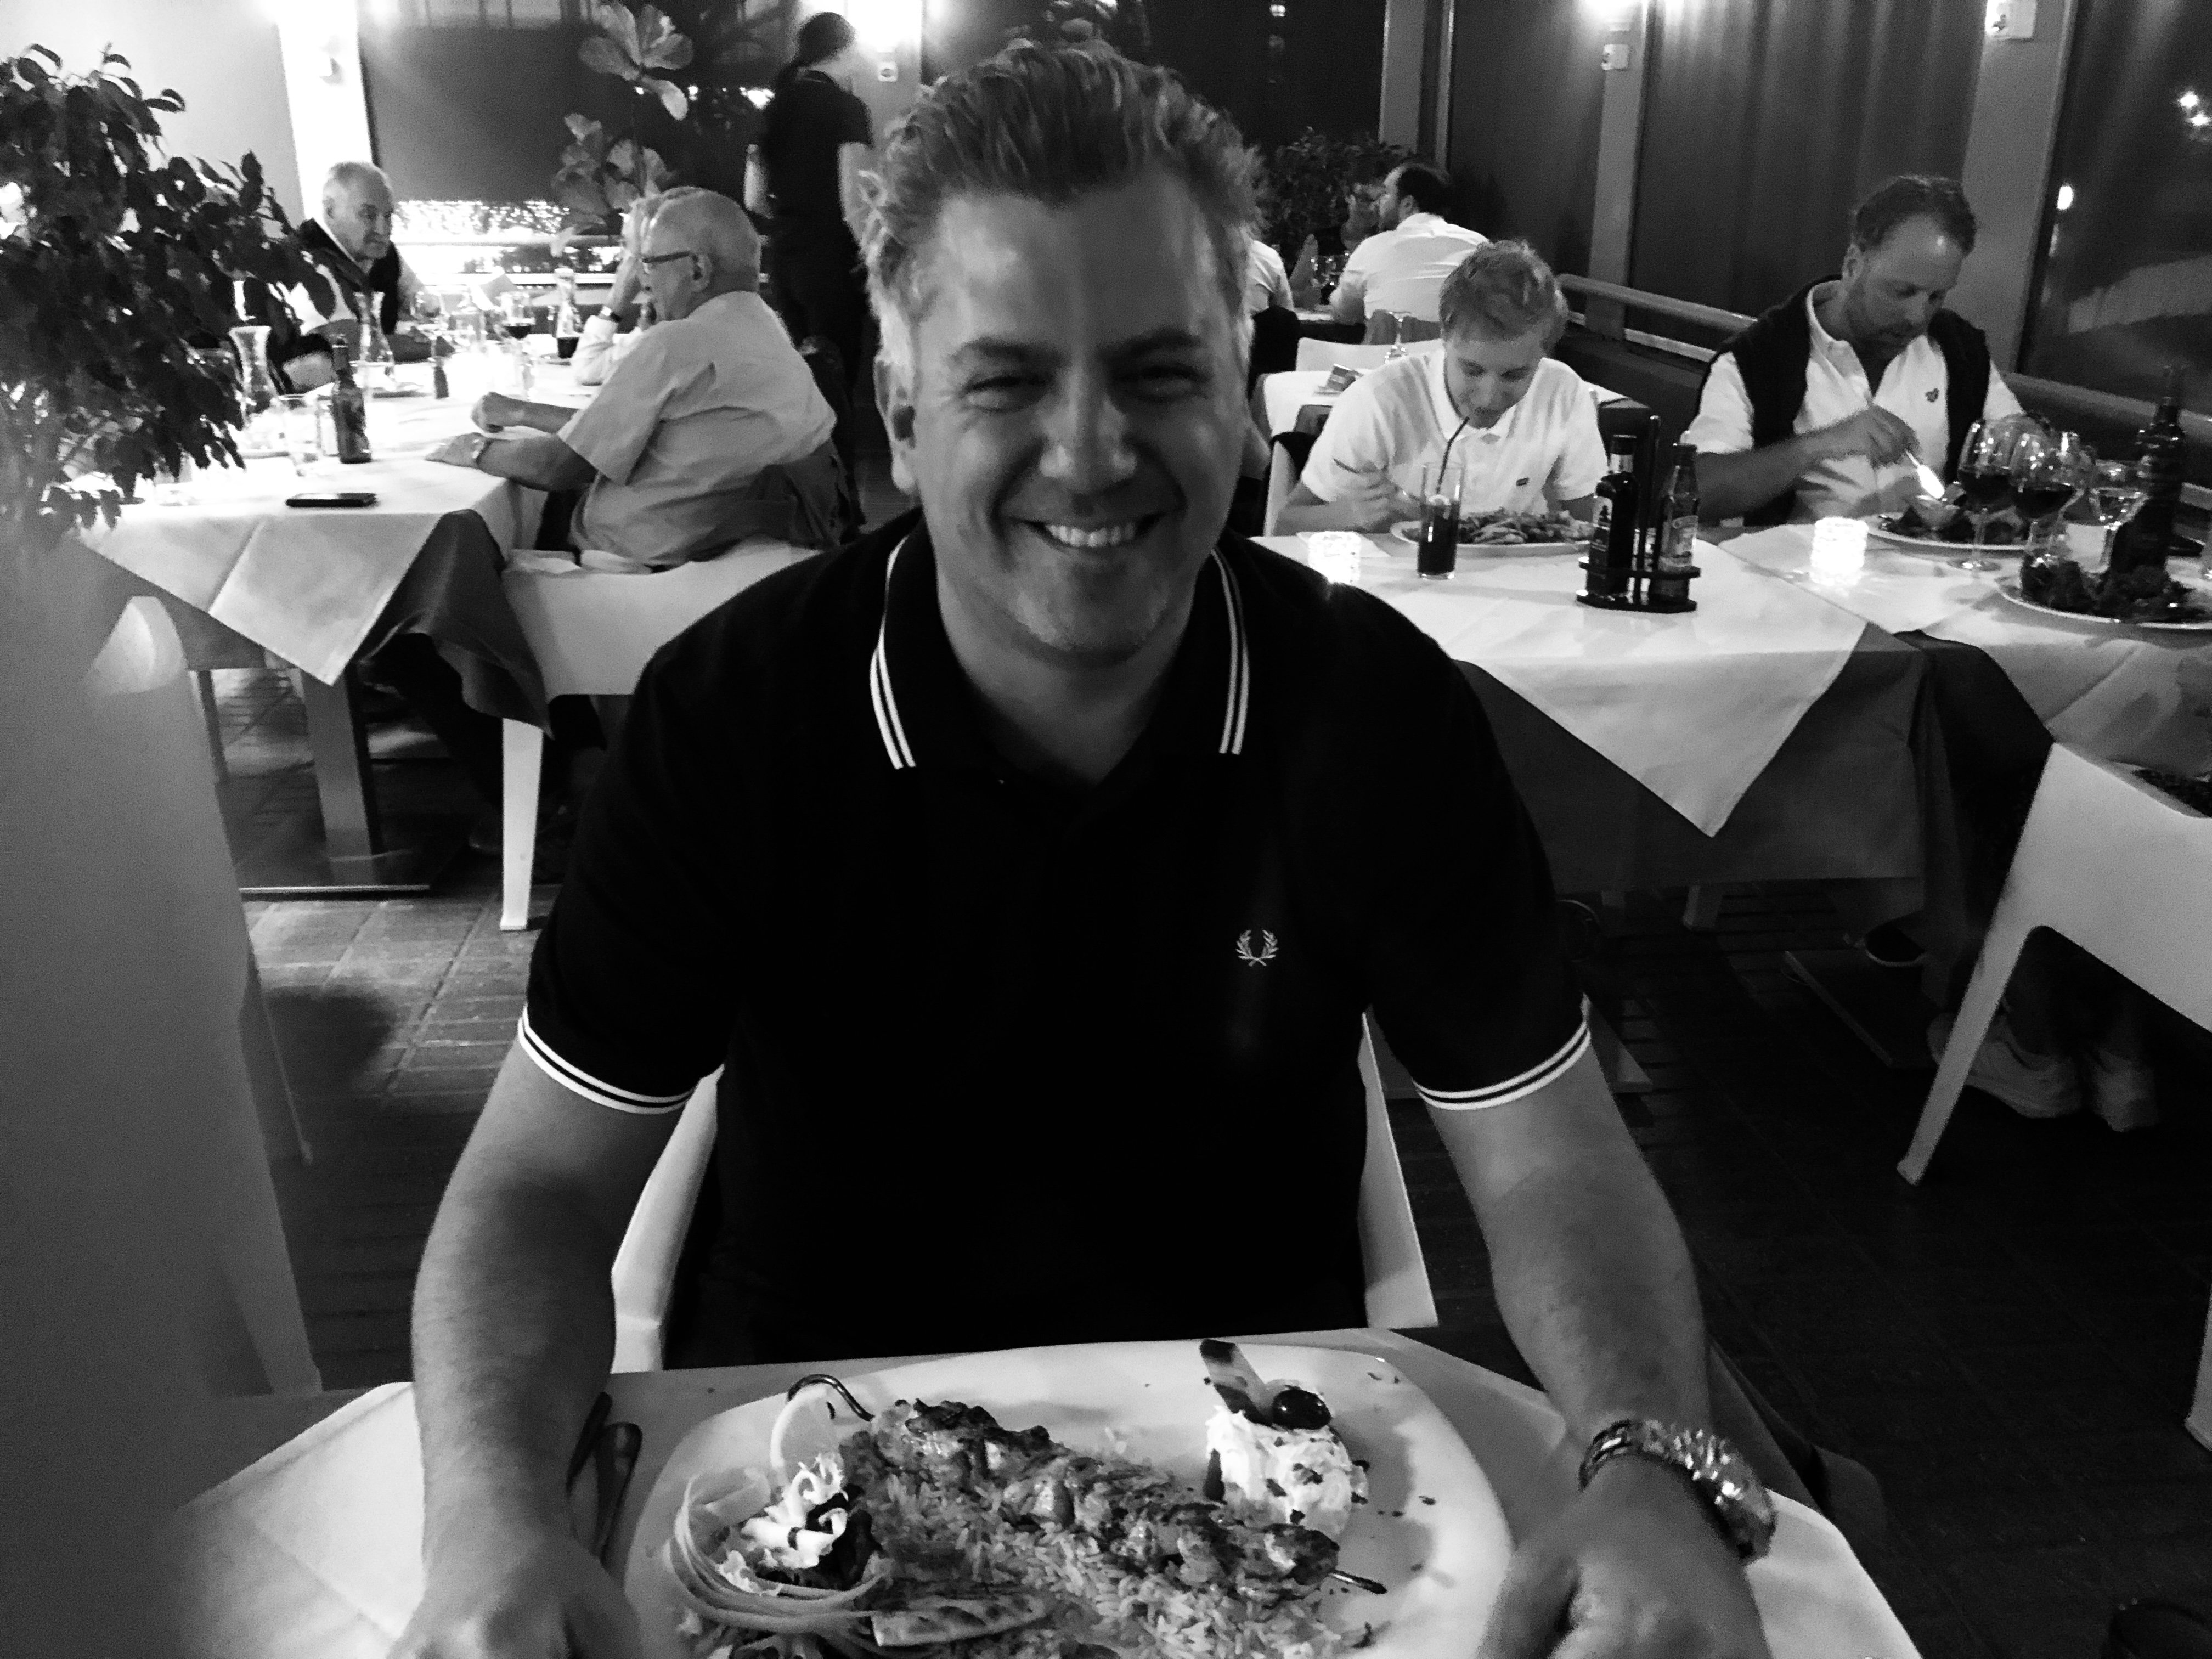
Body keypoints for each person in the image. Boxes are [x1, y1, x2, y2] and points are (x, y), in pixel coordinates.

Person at [397, 46, 1776, 1659]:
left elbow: (1552, 1160)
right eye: (1004, 382)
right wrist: (491, 1516)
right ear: (904, 417)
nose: (1091, 450)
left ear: (1238, 397)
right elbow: (540, 1185)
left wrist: (1645, 1464)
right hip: (802, 1481)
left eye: (1159, 373)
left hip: (1271, 1503)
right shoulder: (733, 716)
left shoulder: (1376, 709)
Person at [425, 191, 838, 567]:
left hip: (642, 580)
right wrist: (522, 412)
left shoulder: (676, 344)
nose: (644, 280)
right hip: (744, 566)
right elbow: (636, 432)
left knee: (463, 565)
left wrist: (474, 450)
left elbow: (556, 467)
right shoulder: (771, 331)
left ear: (698, 268)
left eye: (651, 263)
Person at [1685, 173, 2028, 523]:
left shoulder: (1958, 351)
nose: (1918, 317)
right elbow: (1698, 494)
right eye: (1902, 292)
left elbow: (2014, 436)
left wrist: (2024, 447)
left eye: (1936, 296)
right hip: (1798, 558)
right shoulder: (1757, 358)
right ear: (1852, 266)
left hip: (1928, 557)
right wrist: (1818, 445)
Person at [1282, 240, 1606, 534]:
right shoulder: (1378, 401)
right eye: (1472, 370)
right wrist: (1349, 514)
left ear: (1544, 355)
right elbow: (1285, 525)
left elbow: (1594, 529)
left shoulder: (1563, 392)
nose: (1489, 397)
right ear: (1444, 337)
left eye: (1515, 376)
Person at [751, 12, 874, 395]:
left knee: (798, 387)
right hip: (831, 266)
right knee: (836, 387)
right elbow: (853, 202)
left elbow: (753, 197)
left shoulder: (774, 109)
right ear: (843, 51)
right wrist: (875, 260)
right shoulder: (847, 108)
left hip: (785, 263)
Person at [267, 161, 435, 391]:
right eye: (369, 215)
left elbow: (429, 310)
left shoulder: (382, 252)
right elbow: (351, 347)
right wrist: (430, 344)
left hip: (376, 392)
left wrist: (424, 330)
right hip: (314, 403)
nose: (383, 229)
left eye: (388, 216)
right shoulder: (304, 260)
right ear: (330, 211)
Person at [568, 188, 706, 388]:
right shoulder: (661, 315)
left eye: (627, 246)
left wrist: (615, 302)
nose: (622, 258)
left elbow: (587, 370)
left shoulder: (674, 322)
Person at [1328, 161, 1487, 329]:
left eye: (1386, 193)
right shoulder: (1478, 246)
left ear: (1407, 204)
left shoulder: (1372, 247)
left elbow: (1344, 313)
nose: (1378, 202)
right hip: (1453, 344)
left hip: (1389, 345)